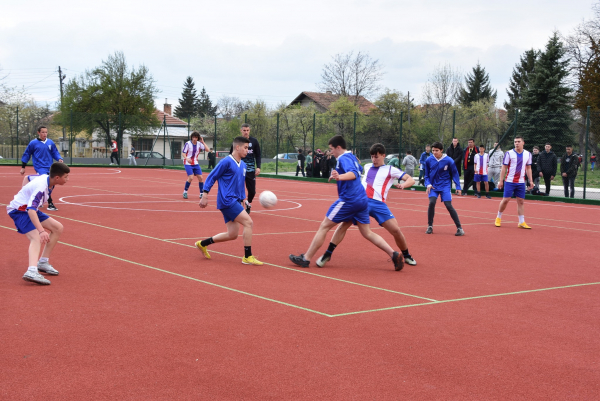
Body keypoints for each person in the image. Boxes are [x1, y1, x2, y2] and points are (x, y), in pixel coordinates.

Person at [289, 135, 403, 269]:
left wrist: (339, 176)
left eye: (332, 149)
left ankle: (306, 258)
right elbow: (359, 169)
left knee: (324, 226)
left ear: (338, 147)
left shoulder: (343, 157)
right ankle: (394, 254)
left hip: (349, 199)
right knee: (367, 232)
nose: (331, 152)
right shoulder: (352, 157)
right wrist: (339, 174)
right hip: (362, 199)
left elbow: (354, 173)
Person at [315, 143, 417, 269]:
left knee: (395, 230)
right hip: (362, 200)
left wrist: (403, 185)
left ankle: (406, 255)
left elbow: (411, 180)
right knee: (344, 225)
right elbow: (354, 170)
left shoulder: (391, 169)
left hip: (379, 204)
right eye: (372, 157)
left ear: (384, 156)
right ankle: (327, 254)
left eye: (377, 157)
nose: (374, 160)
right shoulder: (367, 166)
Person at [196, 136, 263, 265]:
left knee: (232, 234)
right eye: (245, 148)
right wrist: (205, 194)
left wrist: (243, 199)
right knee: (248, 222)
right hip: (227, 200)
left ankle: (202, 244)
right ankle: (247, 256)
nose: (247, 151)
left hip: (236, 201)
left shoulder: (243, 164)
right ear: (237, 147)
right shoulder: (225, 162)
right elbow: (212, 176)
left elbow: (240, 183)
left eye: (248, 148)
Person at [7, 162, 70, 285]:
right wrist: (41, 231)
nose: (68, 179)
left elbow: (27, 178)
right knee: (36, 237)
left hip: (28, 208)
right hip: (19, 210)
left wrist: (24, 192)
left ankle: (43, 262)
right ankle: (31, 271)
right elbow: (31, 211)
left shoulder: (46, 178)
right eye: (66, 177)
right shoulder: (41, 188)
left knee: (57, 228)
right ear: (57, 177)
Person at [424, 142, 464, 236]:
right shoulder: (429, 160)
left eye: (436, 150)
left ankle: (459, 228)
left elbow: (455, 174)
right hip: (433, 186)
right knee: (432, 202)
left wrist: (458, 186)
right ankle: (430, 226)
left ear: (441, 150)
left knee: (448, 205)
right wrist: (428, 184)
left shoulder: (449, 160)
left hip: (445, 186)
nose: (434, 152)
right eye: (433, 150)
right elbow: (426, 176)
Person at [20, 125, 63, 211]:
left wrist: (59, 158)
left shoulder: (50, 142)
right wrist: (23, 167)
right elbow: (27, 154)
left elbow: (55, 152)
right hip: (40, 167)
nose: (44, 134)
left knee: (52, 184)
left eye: (46, 132)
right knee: (46, 183)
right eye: (43, 132)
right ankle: (50, 203)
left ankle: (38, 199)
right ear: (38, 133)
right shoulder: (33, 143)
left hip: (50, 167)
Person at [495, 136, 533, 229]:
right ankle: (498, 218)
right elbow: (504, 167)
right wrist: (501, 181)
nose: (516, 143)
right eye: (515, 142)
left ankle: (521, 222)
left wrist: (531, 181)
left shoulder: (528, 154)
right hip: (509, 181)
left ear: (523, 143)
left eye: (518, 141)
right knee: (506, 200)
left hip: (521, 182)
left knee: (520, 201)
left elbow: (528, 168)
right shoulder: (509, 153)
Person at [230, 123, 261, 214]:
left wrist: (258, 167)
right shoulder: (237, 142)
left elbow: (258, 155)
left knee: (252, 191)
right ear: (241, 131)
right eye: (244, 130)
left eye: (247, 130)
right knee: (238, 189)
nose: (246, 132)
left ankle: (248, 202)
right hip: (238, 170)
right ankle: (238, 207)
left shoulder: (254, 141)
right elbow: (231, 155)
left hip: (250, 170)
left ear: (249, 131)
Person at [182, 132, 208, 199]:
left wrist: (203, 142)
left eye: (196, 137)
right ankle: (185, 192)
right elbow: (183, 153)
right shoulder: (188, 143)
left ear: (198, 138)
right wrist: (187, 159)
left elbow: (207, 150)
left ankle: (201, 193)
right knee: (190, 177)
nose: (194, 138)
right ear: (191, 137)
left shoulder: (199, 144)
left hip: (196, 163)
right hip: (188, 163)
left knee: (201, 178)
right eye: (193, 137)